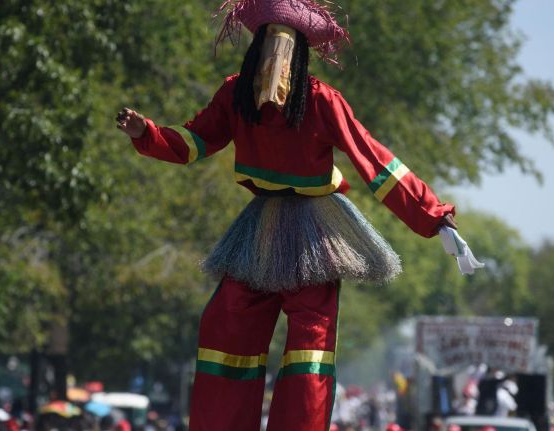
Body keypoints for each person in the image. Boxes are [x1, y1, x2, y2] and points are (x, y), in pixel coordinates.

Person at [116, 0, 459, 429]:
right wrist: (145, 132)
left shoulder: (321, 100)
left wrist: (433, 216)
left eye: (285, 44)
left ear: (297, 53)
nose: (276, 55)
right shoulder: (234, 94)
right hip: (260, 228)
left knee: (310, 349)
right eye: (269, 43)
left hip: (318, 235)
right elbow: (192, 143)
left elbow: (374, 160)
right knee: (227, 323)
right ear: (256, 47)